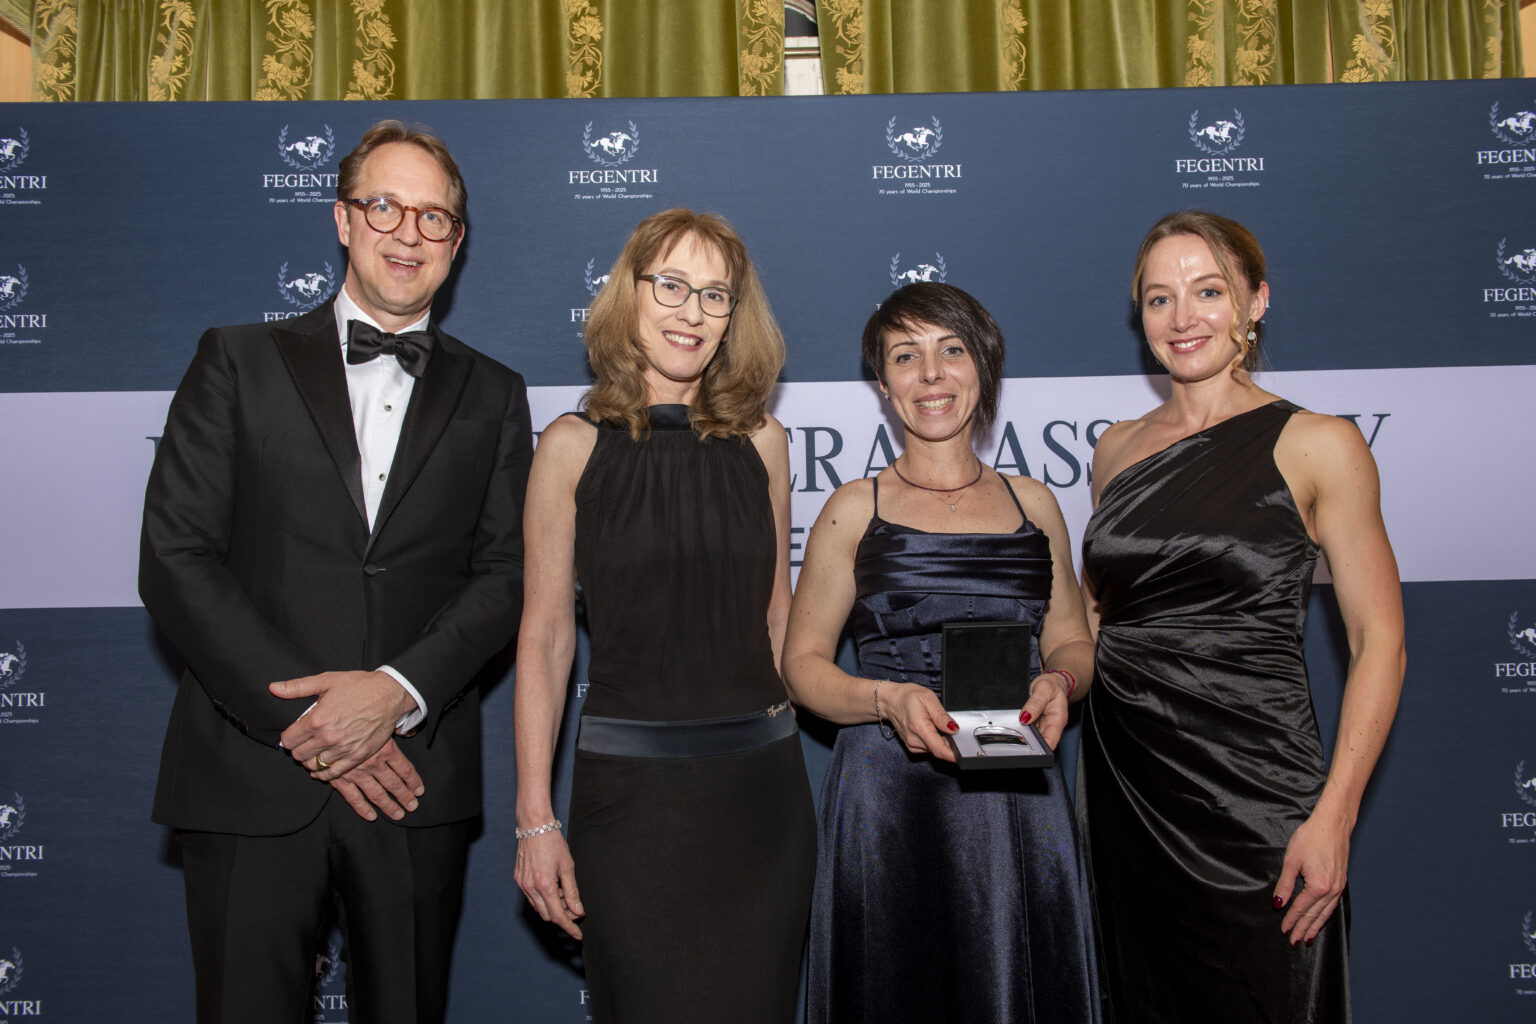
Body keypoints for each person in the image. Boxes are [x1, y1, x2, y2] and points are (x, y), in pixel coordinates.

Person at [140, 120, 532, 1024]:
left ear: (457, 242)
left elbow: (509, 573)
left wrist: (395, 692)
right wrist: (316, 724)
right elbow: (175, 557)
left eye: (434, 217)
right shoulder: (236, 359)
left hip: (411, 779)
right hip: (249, 772)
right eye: (384, 206)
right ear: (343, 219)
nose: (408, 233)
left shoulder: (495, 392)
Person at [1078, 210, 1406, 1022]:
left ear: (1256, 302)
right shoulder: (1115, 450)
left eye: (1208, 291)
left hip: (1259, 794)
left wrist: (1335, 817)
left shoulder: (1318, 443)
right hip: (1130, 791)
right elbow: (1098, 617)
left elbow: (1380, 642)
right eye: (1159, 298)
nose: (1182, 317)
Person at [512, 208, 815, 1022]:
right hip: (631, 804)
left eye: (715, 296)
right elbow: (545, 638)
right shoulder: (570, 446)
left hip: (761, 798)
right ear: (631, 294)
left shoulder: (764, 442)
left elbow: (778, 617)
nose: (692, 312)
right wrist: (535, 818)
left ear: (733, 318)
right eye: (672, 286)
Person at [782, 282, 1101, 1024]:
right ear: (883, 383)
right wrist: (885, 699)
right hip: (889, 795)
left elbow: (1072, 639)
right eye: (906, 356)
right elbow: (802, 667)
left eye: (951, 350)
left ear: (982, 366)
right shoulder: (853, 507)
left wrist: (1059, 681)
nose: (931, 374)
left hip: (1016, 791)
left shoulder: (1035, 504)